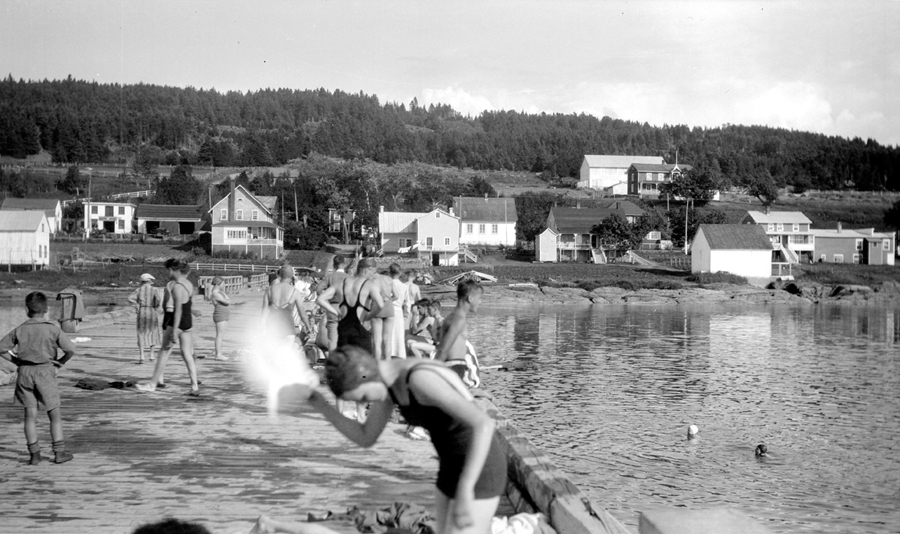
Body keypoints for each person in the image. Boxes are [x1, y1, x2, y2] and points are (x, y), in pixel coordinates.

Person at [294, 346, 506, 534]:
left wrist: (465, 488)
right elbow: (366, 436)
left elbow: (483, 424)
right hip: (450, 467)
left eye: (364, 398)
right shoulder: (387, 383)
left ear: (366, 375)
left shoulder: (417, 379)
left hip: (480, 468)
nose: (365, 404)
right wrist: (320, 404)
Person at [0, 292, 76, 464]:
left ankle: (34, 454)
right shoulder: (52, 329)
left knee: (29, 415)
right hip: (45, 372)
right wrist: (59, 363)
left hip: (25, 372)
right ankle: (59, 453)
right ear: (46, 309)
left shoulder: (20, 329)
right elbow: (71, 350)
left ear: (27, 310)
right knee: (54, 414)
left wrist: (17, 361)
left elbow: (1, 349)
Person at [316, 257, 383, 420]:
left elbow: (320, 299)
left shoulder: (342, 283)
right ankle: (360, 414)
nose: (374, 274)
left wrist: (335, 312)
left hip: (343, 329)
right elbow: (381, 305)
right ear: (367, 270)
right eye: (374, 271)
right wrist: (367, 316)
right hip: (360, 331)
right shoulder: (369, 285)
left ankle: (339, 411)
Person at [136, 258, 201, 396]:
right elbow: (188, 305)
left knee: (163, 353)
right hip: (188, 323)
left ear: (173, 269)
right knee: (187, 354)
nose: (168, 273)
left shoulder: (177, 286)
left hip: (177, 322)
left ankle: (152, 384)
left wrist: (174, 330)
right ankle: (194, 386)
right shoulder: (188, 284)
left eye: (169, 270)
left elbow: (178, 310)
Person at [435, 281, 483, 388]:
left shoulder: (455, 317)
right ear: (470, 298)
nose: (480, 302)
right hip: (454, 368)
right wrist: (432, 372)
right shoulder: (458, 320)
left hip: (457, 367)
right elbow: (443, 350)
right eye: (479, 298)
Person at [261, 264, 313, 343]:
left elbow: (264, 311)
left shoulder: (270, 289)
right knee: (285, 354)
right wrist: (308, 327)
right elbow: (302, 314)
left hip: (272, 328)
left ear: (280, 274)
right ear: (292, 275)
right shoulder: (295, 292)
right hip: (287, 329)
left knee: (271, 354)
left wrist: (261, 326)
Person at [315, 255, 349, 354]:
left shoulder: (329, 277)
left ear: (334, 265)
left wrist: (325, 299)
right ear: (344, 264)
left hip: (332, 307)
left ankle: (333, 363)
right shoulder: (349, 278)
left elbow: (318, 290)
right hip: (346, 308)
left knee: (332, 339)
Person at [127, 273, 161, 364]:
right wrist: (155, 306)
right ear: (149, 281)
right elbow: (158, 300)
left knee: (141, 333)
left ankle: (142, 356)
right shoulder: (154, 289)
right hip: (151, 311)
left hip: (142, 311)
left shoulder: (138, 290)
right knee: (152, 332)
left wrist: (136, 305)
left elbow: (130, 298)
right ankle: (152, 355)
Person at [369, 266, 396, 360]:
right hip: (388, 305)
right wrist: (388, 301)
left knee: (377, 340)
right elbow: (397, 295)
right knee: (388, 339)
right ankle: (388, 362)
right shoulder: (388, 279)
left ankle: (378, 364)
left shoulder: (371, 280)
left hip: (376, 306)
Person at [388, 264, 409, 358]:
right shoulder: (404, 286)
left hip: (388, 308)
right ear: (399, 273)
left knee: (389, 333)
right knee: (399, 335)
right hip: (398, 310)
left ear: (389, 272)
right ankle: (399, 354)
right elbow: (407, 303)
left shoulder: (387, 283)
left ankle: (389, 352)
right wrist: (407, 314)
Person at [208, 276, 231, 361]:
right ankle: (218, 354)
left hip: (224, 315)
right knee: (219, 335)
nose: (224, 285)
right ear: (218, 283)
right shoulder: (215, 293)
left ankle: (217, 350)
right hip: (220, 315)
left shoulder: (220, 292)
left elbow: (227, 300)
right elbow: (227, 301)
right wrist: (226, 299)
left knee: (222, 334)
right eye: (222, 284)